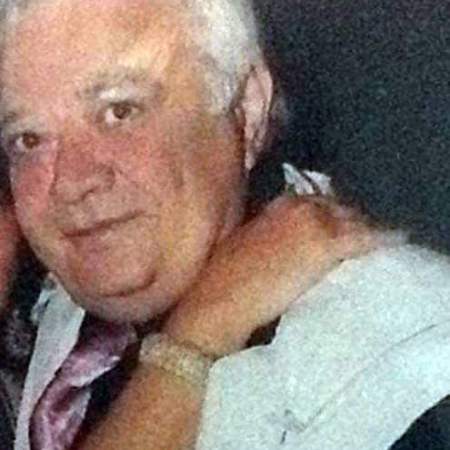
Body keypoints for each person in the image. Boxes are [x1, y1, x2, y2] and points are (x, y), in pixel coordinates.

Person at [0, 0, 448, 449]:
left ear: (248, 110)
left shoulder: (398, 364)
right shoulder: (56, 313)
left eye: (120, 111)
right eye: (28, 140)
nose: (71, 182)